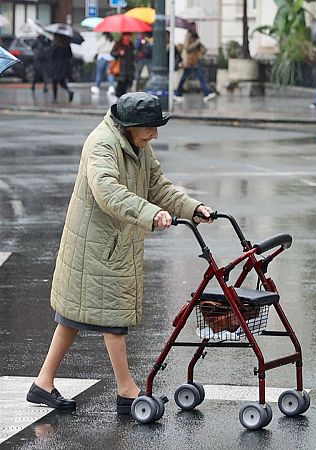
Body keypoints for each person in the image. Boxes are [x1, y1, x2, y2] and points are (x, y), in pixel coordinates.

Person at [26, 92, 214, 414]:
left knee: (73, 317)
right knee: (113, 317)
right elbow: (107, 191)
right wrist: (149, 213)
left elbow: (159, 186)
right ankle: (127, 391)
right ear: (131, 125)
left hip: (111, 242)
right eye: (150, 128)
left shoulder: (137, 145)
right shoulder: (102, 144)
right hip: (97, 245)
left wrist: (192, 207)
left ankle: (43, 383)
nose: (154, 134)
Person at [175, 23, 216, 103]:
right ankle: (177, 94)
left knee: (201, 77)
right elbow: (187, 48)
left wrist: (202, 49)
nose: (195, 28)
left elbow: (202, 48)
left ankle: (206, 94)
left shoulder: (196, 36)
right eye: (194, 26)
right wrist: (196, 43)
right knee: (184, 78)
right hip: (190, 61)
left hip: (196, 60)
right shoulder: (188, 35)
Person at [50, 34, 74, 103]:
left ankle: (55, 98)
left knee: (54, 82)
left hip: (56, 66)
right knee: (62, 82)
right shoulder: (66, 44)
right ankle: (69, 91)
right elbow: (70, 55)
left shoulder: (55, 45)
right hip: (64, 66)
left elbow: (52, 56)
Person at [111, 33, 135, 98]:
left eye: (129, 36)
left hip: (129, 67)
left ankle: (124, 98)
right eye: (126, 36)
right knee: (121, 83)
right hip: (121, 68)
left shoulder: (131, 44)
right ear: (123, 36)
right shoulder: (118, 44)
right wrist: (119, 53)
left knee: (128, 82)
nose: (127, 38)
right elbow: (112, 53)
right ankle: (118, 97)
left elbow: (133, 55)